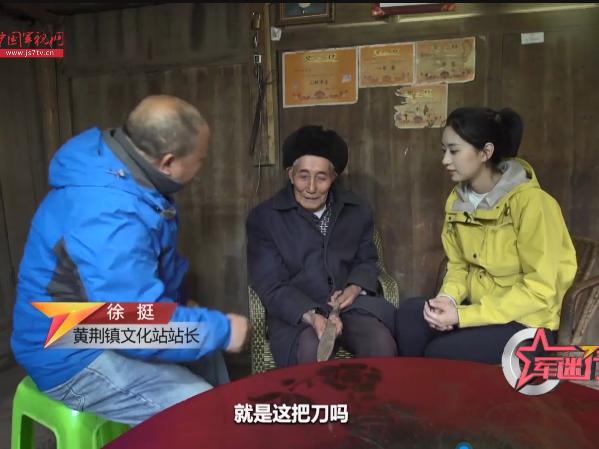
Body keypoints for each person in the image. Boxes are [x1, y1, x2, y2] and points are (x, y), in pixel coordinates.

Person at [11, 95, 249, 425]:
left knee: (207, 355)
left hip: (99, 323)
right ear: (168, 162)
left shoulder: (128, 173)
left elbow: (139, 273)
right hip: (69, 348)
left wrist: (180, 306)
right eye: (200, 159)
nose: (201, 167)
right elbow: (131, 327)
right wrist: (222, 330)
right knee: (204, 412)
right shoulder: (109, 214)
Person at [395, 107, 577, 363]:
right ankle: (417, 385)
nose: (445, 160)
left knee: (440, 351)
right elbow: (459, 266)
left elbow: (540, 290)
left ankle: (432, 382)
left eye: (454, 151)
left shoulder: (534, 204)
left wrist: (463, 316)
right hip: (479, 310)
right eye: (444, 150)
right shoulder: (458, 202)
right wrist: (447, 299)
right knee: (410, 315)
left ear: (486, 152)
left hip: (527, 323)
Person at [247, 125, 397, 367]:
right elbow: (269, 282)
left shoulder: (357, 210)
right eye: (303, 176)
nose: (311, 188)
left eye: (321, 177)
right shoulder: (264, 218)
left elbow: (367, 258)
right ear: (290, 174)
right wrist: (311, 315)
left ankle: (374, 395)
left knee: (380, 343)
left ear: (333, 178)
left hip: (350, 307)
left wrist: (355, 287)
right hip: (297, 314)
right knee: (312, 351)